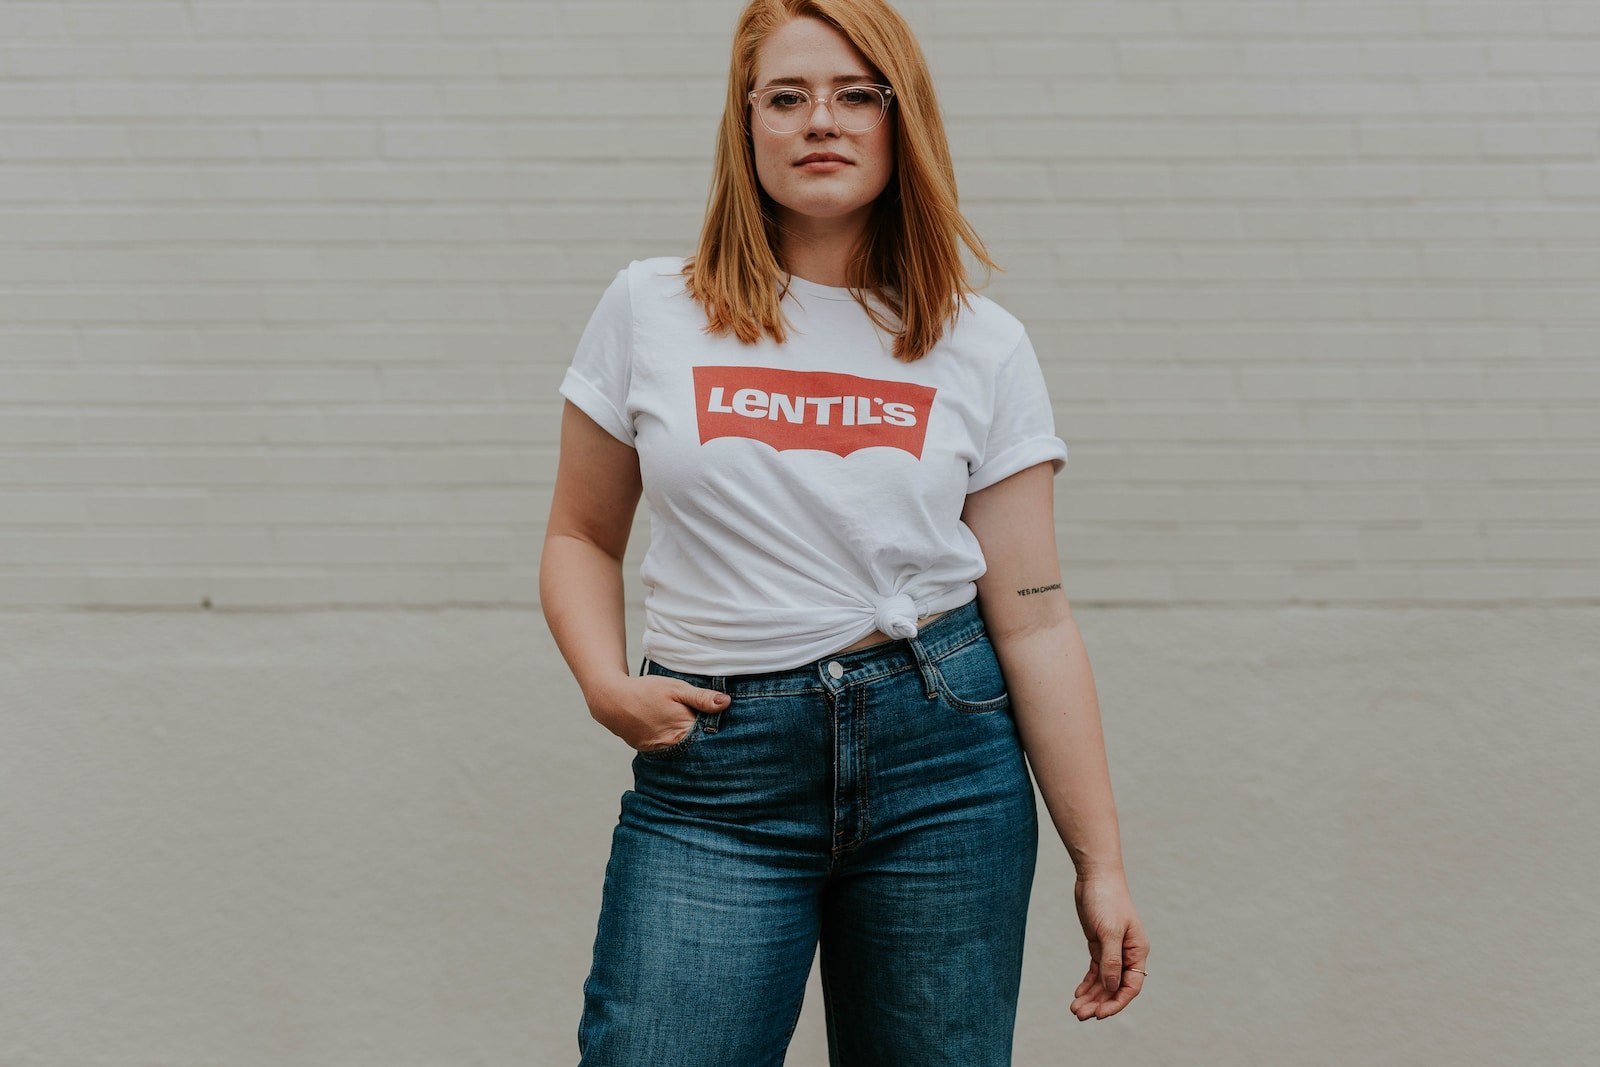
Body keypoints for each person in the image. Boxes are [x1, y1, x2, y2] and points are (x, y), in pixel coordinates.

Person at [541, 0, 1149, 1062]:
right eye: (786, 96)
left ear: (899, 118)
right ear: (747, 127)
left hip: (943, 758)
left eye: (854, 94)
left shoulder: (979, 342)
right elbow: (581, 535)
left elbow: (1036, 615)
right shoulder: (651, 308)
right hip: (719, 770)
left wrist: (1098, 858)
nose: (820, 119)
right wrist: (603, 682)